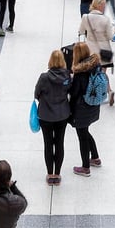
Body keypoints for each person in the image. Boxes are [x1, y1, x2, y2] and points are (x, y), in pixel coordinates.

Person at [34, 50, 71, 186]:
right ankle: (58, 173)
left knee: (48, 144)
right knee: (60, 143)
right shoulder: (67, 76)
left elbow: (36, 93)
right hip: (62, 115)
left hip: (46, 115)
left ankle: (50, 174)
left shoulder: (44, 77)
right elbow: (69, 91)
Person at [69, 42, 102, 177]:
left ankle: (85, 167)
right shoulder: (95, 66)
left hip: (81, 109)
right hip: (93, 106)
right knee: (86, 132)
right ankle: (95, 158)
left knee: (82, 136)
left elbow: (74, 92)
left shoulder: (80, 73)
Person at [80, 0, 115, 103]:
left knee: (91, 73)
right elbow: (110, 36)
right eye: (103, 5)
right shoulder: (106, 19)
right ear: (99, 5)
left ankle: (94, 92)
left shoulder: (85, 17)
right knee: (103, 74)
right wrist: (113, 29)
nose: (104, 7)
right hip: (104, 50)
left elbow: (81, 31)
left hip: (90, 49)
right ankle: (108, 91)